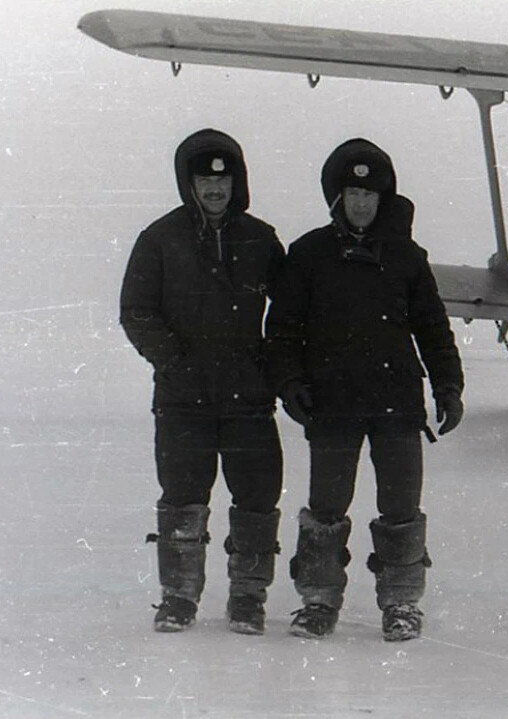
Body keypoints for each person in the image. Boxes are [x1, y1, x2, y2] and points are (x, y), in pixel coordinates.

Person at [265, 138, 465, 642]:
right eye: (352, 193)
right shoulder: (308, 254)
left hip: (396, 405)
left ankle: (401, 602)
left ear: (383, 199)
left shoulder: (407, 256)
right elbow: (282, 329)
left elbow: (433, 328)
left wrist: (448, 385)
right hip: (332, 406)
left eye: (370, 194)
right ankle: (318, 600)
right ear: (337, 197)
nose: (361, 203)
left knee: (400, 510)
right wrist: (290, 384)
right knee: (326, 510)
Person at [120, 129, 285, 635]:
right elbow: (136, 311)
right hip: (183, 398)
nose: (215, 188)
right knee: (183, 498)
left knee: (257, 498)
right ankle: (178, 598)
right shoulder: (160, 239)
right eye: (204, 178)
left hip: (248, 398)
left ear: (237, 181)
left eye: (223, 177)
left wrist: (271, 365)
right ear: (188, 183)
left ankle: (248, 597)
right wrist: (174, 362)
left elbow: (291, 311)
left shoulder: (260, 239)